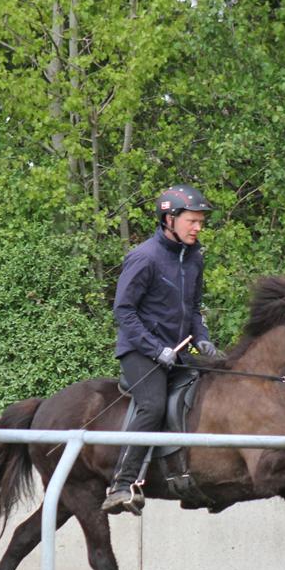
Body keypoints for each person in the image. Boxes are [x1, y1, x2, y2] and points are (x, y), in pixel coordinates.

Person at [101, 184, 218, 515]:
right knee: (152, 405)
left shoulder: (194, 259)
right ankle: (121, 485)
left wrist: (203, 337)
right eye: (192, 221)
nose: (198, 227)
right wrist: (156, 350)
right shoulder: (144, 258)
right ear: (169, 219)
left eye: (200, 222)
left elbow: (193, 310)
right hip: (140, 352)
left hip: (178, 352)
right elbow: (123, 312)